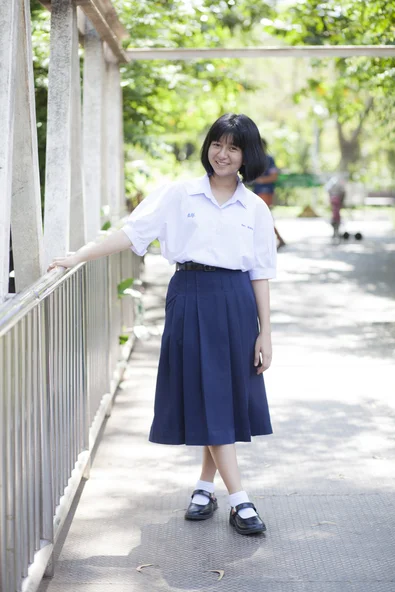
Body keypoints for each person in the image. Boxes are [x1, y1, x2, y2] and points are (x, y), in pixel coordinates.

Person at [48, 113, 277, 536]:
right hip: (189, 295)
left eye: (233, 147)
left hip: (236, 302)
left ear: (247, 155)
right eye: (216, 144)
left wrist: (266, 330)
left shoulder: (256, 209)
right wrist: (79, 256)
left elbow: (260, 271)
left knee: (221, 397)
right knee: (208, 393)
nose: (222, 154)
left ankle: (205, 487)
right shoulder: (180, 195)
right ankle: (240, 500)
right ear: (207, 147)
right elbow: (133, 234)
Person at [253, 140, 286, 249]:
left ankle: (279, 238)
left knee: (264, 217)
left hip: (265, 191)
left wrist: (260, 180)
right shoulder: (255, 159)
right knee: (258, 218)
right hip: (257, 192)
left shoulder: (269, 159)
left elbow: (274, 176)